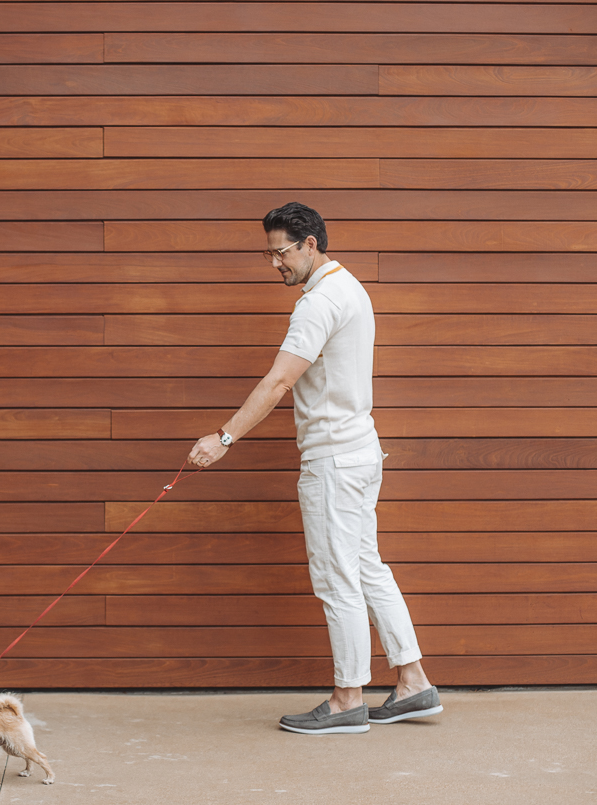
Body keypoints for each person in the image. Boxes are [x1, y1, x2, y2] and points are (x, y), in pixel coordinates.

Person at [188, 202, 442, 735]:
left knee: (337, 578)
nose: (273, 263)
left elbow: (280, 382)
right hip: (361, 453)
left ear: (309, 244)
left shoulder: (319, 302)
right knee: (367, 567)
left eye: (280, 252)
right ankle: (413, 683)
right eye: (269, 253)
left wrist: (225, 436)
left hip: (333, 461)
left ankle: (348, 697)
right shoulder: (349, 287)